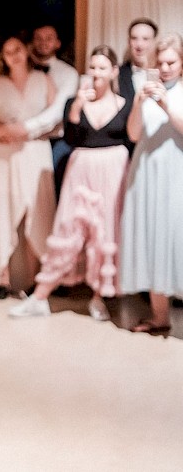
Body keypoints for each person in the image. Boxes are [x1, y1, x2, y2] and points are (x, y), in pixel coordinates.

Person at [9, 45, 130, 320]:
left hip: (113, 169)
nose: (96, 72)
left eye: (102, 67)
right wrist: (77, 104)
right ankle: (40, 297)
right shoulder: (73, 102)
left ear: (112, 72)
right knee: (69, 229)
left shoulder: (124, 105)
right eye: (93, 67)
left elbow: (131, 137)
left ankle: (99, 297)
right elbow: (70, 138)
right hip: (81, 168)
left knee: (106, 233)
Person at [0, 34, 57, 299]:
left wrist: (31, 131)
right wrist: (5, 131)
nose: (14, 54)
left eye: (18, 49)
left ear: (27, 51)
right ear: (3, 57)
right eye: (8, 51)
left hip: (36, 152)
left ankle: (38, 278)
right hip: (3, 154)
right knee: (3, 212)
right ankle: (2, 278)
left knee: (39, 213)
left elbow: (58, 122)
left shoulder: (43, 80)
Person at [119, 33, 183, 336]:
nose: (166, 67)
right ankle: (160, 317)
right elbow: (133, 135)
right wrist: (139, 102)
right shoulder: (144, 90)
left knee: (176, 238)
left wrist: (166, 103)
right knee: (152, 238)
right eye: (161, 62)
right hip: (146, 171)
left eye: (172, 61)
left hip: (176, 171)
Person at [13, 25, 79, 193]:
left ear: (57, 43)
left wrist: (25, 128)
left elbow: (57, 112)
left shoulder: (69, 73)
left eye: (48, 38)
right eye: (38, 38)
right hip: (21, 140)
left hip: (54, 142)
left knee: (51, 193)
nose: (43, 43)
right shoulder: (20, 72)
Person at [118, 18, 158, 113]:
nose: (139, 45)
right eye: (134, 38)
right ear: (129, 42)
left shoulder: (165, 73)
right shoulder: (117, 75)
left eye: (145, 39)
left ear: (154, 42)